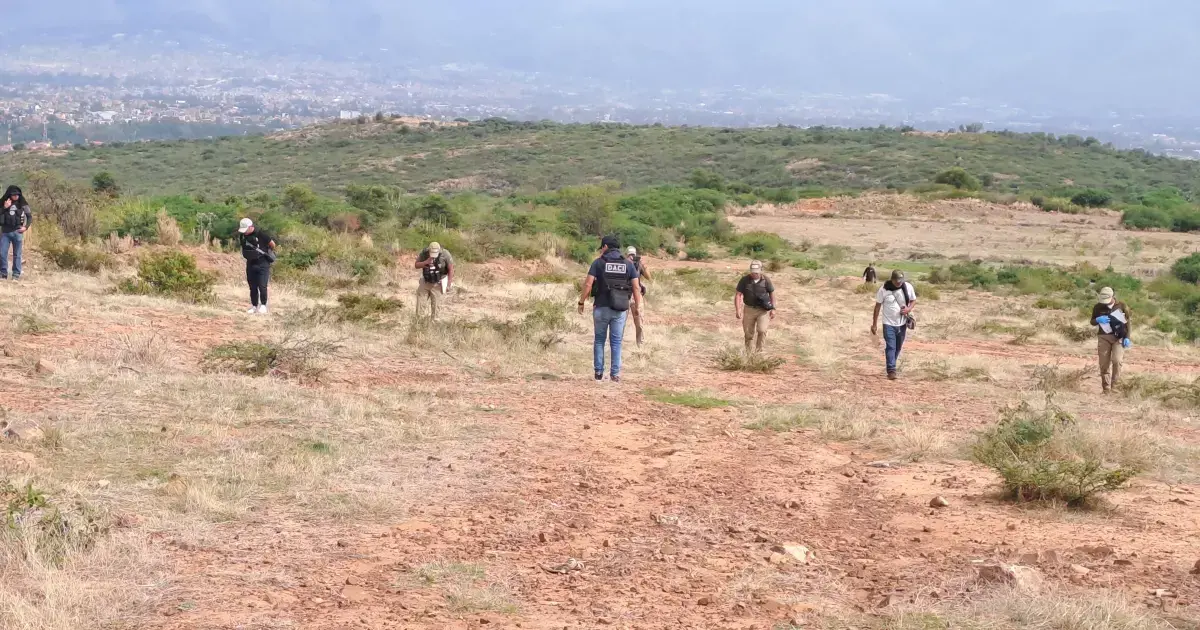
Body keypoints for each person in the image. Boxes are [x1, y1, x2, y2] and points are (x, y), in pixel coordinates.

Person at [578, 236, 643, 382]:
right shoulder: (628, 264)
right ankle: (615, 374)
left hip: (601, 307)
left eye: (602, 247)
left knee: (599, 340)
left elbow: (588, 284)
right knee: (616, 341)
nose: (601, 250)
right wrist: (638, 306)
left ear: (606, 246)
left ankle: (598, 373)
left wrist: (581, 302)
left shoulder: (598, 262)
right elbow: (636, 287)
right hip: (620, 308)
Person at [871, 270, 918, 380]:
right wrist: (874, 324)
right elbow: (877, 307)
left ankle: (892, 364)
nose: (898, 283)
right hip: (888, 323)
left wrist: (908, 309)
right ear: (892, 279)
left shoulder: (908, 287)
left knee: (898, 347)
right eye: (896, 281)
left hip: (902, 323)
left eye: (900, 281)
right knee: (891, 346)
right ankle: (891, 370)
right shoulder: (884, 289)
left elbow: (913, 300)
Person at [1091, 286, 1131, 393]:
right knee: (1104, 363)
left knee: (1117, 361)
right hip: (1103, 337)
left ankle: (1115, 388)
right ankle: (1106, 389)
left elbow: (1128, 323)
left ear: (1113, 296)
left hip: (1118, 337)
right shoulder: (1098, 307)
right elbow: (1092, 321)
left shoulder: (1122, 306)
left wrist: (1127, 337)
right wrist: (1097, 320)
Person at [734, 260, 776, 353]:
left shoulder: (766, 280)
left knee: (762, 330)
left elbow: (772, 293)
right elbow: (738, 295)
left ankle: (759, 353)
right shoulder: (744, 280)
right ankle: (749, 354)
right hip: (749, 309)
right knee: (748, 333)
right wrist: (738, 309)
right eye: (753, 272)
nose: (754, 274)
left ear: (761, 270)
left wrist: (773, 308)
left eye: (756, 272)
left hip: (763, 310)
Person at [237, 218, 276, 314]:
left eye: (246, 229)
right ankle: (254, 306)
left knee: (262, 286)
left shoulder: (260, 234)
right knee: (252, 286)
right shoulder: (242, 236)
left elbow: (272, 244)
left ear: (251, 227)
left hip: (262, 263)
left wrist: (266, 251)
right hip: (250, 263)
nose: (244, 232)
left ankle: (263, 305)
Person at [414, 241, 454, 320]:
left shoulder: (445, 254)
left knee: (436, 307)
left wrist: (448, 284)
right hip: (426, 281)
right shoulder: (424, 252)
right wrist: (425, 262)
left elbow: (451, 269)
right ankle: (419, 322)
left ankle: (434, 323)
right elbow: (416, 265)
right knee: (420, 304)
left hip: (438, 283)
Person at [0, 186, 32, 280]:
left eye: (17, 194)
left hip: (17, 232)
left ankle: (16, 274)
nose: (16, 196)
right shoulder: (3, 202)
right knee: (2, 253)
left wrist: (25, 227)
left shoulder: (22, 204)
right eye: (14, 195)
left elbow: (29, 217)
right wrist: (4, 207)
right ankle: (3, 273)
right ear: (10, 195)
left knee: (17, 254)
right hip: (5, 232)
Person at [625, 246, 651, 346]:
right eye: (630, 255)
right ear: (626, 255)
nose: (632, 257)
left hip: (636, 294)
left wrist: (644, 266)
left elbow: (648, 277)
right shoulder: (623, 264)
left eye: (633, 255)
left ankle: (640, 343)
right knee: (621, 320)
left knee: (639, 320)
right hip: (625, 294)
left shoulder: (639, 265)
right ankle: (617, 341)